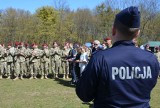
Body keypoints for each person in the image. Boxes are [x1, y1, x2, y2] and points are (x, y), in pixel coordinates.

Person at [76, 6, 159, 108]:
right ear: (138, 33)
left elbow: (84, 94)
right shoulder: (151, 59)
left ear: (113, 31)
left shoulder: (100, 58)